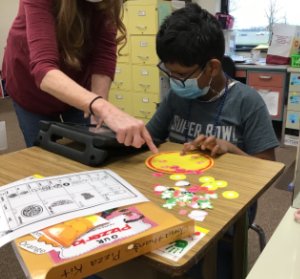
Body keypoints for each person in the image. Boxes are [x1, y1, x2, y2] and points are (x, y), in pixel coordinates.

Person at [146, 3, 279, 278]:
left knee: (193, 268)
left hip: (226, 203)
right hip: (175, 195)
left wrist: (231, 150)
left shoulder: (247, 102)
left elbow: (269, 171)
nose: (175, 82)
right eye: (169, 73)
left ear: (213, 67)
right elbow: (151, 138)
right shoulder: (175, 96)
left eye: (182, 75)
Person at [2, 0, 157, 153]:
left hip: (76, 82)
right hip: (31, 87)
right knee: (45, 157)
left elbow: (103, 55)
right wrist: (105, 109)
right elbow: (44, 68)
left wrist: (98, 110)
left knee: (91, 150)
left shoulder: (107, 3)